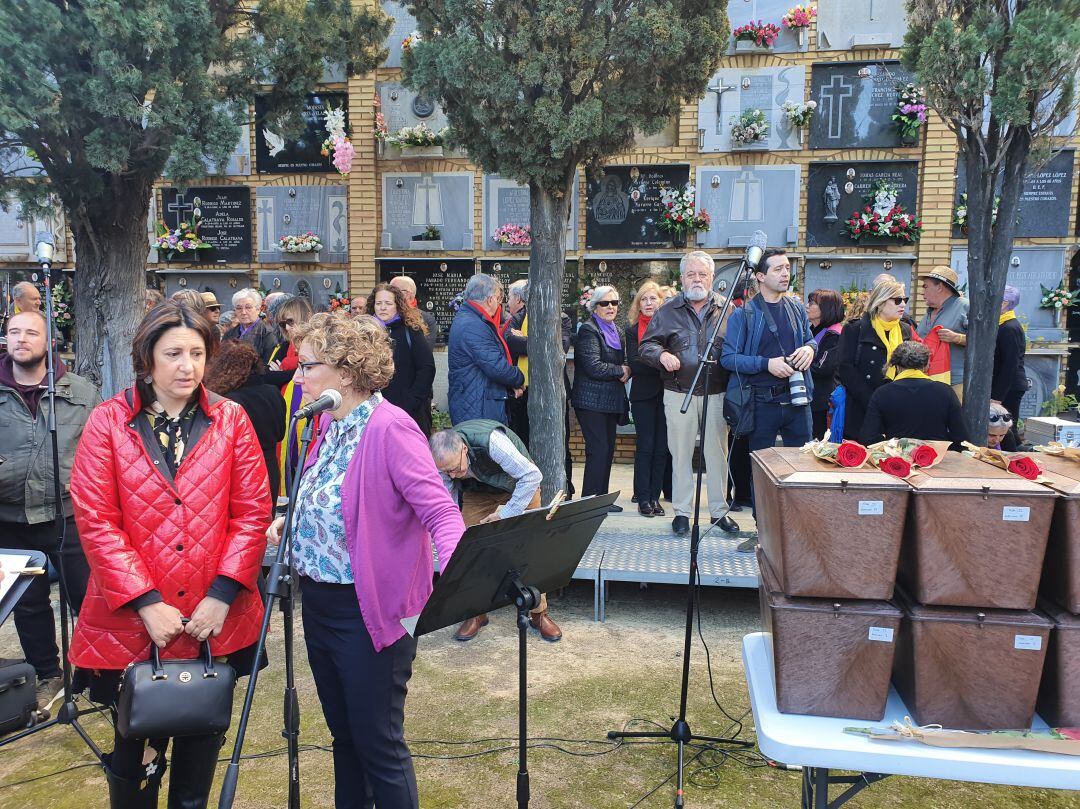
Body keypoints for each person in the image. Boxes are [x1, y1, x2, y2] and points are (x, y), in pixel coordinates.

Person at [68, 301, 271, 808]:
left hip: (214, 617)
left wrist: (223, 594)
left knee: (201, 746)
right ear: (147, 358)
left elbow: (251, 512)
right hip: (135, 620)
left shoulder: (231, 420)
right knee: (134, 755)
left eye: (198, 353)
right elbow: (96, 520)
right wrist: (146, 602)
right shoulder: (108, 422)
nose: (188, 366)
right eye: (174, 353)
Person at [268, 312, 465, 809]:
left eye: (307, 365)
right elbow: (335, 499)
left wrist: (459, 580)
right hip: (319, 604)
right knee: (345, 739)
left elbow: (441, 512)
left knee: (378, 743)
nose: (298, 376)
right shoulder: (327, 424)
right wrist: (292, 521)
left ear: (347, 371)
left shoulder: (391, 427)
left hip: (369, 613)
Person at [0, 310, 95, 716]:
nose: (22, 339)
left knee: (89, 597)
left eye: (31, 332)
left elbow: (100, 450)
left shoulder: (81, 391)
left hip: (68, 514)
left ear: (49, 340)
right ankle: (46, 673)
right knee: (29, 603)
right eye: (14, 332)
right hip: (9, 519)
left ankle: (97, 671)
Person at [430, 422, 561, 642]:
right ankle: (475, 612)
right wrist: (445, 531)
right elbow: (447, 500)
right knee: (468, 549)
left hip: (520, 485)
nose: (453, 475)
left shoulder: (492, 443)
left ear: (464, 448)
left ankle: (539, 614)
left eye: (455, 468)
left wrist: (505, 514)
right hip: (478, 493)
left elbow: (532, 476)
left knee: (530, 549)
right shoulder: (442, 464)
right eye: (447, 472)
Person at [721, 249, 816, 551]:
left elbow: (810, 338)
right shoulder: (744, 314)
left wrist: (811, 349)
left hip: (798, 400)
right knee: (760, 472)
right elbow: (728, 358)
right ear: (760, 276)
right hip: (761, 403)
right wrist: (766, 364)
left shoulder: (796, 309)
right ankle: (764, 533)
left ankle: (798, 532)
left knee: (803, 468)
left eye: (787, 268)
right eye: (777, 269)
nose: (785, 273)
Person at [640, 252, 739, 538]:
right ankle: (682, 512)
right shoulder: (668, 310)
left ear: (712, 277)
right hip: (678, 393)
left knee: (717, 455)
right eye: (691, 274)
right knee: (680, 455)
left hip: (716, 394)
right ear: (682, 278)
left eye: (702, 274)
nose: (697, 279)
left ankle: (719, 513)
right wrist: (662, 355)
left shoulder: (727, 308)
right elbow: (646, 346)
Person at [203, 340, 286, 506]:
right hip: (269, 469)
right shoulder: (272, 392)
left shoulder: (225, 401)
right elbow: (280, 434)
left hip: (239, 472)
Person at [571, 285, 629, 510]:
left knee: (608, 450)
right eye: (605, 303)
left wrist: (626, 368)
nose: (611, 307)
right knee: (598, 450)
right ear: (595, 307)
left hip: (609, 401)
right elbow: (593, 366)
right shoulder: (589, 329)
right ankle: (590, 501)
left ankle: (601, 499)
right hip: (590, 401)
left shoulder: (615, 330)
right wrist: (621, 371)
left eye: (614, 303)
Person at [836, 279, 915, 443]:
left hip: (896, 406)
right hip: (862, 406)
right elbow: (845, 368)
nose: (903, 305)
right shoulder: (854, 329)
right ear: (880, 302)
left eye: (904, 300)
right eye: (897, 300)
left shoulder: (905, 330)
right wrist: (871, 400)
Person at [447, 273, 524, 425]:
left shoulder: (470, 318)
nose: (499, 304)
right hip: (478, 408)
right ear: (490, 299)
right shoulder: (473, 325)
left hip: (477, 401)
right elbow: (496, 366)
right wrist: (519, 378)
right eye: (497, 298)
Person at [861, 340, 968, 447]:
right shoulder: (945, 391)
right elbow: (961, 438)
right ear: (926, 365)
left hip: (897, 459)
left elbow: (868, 438)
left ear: (896, 366)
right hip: (938, 458)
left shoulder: (881, 393)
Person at [371, 281, 436, 435]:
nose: (383, 307)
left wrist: (411, 401)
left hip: (406, 411)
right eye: (378, 303)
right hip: (373, 411)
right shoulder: (365, 331)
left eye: (388, 303)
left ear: (397, 305)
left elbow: (427, 367)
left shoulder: (410, 331)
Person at [264, 297, 314, 498]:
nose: (287, 328)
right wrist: (287, 370)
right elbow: (266, 375)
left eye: (291, 322)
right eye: (283, 323)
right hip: (284, 408)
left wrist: (284, 368)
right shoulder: (282, 346)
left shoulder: (314, 345)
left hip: (309, 409)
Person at [626, 281, 668, 517]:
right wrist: (663, 362)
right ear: (638, 304)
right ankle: (643, 498)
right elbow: (634, 363)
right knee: (646, 446)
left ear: (661, 302)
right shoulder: (632, 331)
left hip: (667, 394)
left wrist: (653, 361)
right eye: (644, 299)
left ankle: (655, 496)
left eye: (653, 298)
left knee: (661, 448)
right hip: (642, 395)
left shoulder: (669, 328)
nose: (649, 303)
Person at [917, 266, 968, 401]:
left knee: (955, 421)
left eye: (925, 286)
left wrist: (957, 338)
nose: (922, 292)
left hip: (955, 382)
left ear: (939, 287)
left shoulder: (964, 307)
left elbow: (986, 341)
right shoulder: (928, 312)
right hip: (926, 381)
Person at [806, 288, 845, 439]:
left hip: (823, 401)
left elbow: (823, 367)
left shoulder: (834, 334)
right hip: (812, 396)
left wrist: (795, 363)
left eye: (812, 303)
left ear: (826, 308)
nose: (807, 306)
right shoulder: (812, 330)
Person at [993, 285, 1027, 445]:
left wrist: (998, 396)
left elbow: (1009, 365)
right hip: (1006, 385)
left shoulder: (1009, 328)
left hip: (1009, 387)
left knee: (1006, 426)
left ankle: (1015, 457)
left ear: (1005, 303)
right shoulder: (1002, 324)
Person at [503, 279, 531, 445]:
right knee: (522, 440)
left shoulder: (560, 317)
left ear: (519, 299)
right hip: (521, 391)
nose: (507, 303)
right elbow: (511, 343)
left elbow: (558, 346)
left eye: (509, 298)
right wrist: (538, 342)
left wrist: (526, 339)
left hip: (548, 390)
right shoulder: (513, 320)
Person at [224, 288, 277, 366]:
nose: (243, 312)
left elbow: (266, 365)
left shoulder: (268, 334)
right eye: (239, 308)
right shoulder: (229, 334)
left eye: (248, 307)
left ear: (258, 309)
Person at [390, 274, 439, 347]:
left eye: (393, 291)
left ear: (408, 294)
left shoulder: (427, 319)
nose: (389, 294)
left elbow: (425, 351)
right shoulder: (385, 316)